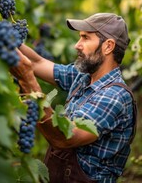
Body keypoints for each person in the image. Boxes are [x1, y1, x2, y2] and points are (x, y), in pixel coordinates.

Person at [11, 13, 137, 183]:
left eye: (85, 38)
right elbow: (36, 63)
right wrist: (3, 35)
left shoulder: (115, 97)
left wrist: (28, 82)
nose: (77, 45)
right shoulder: (83, 77)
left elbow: (64, 138)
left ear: (108, 46)